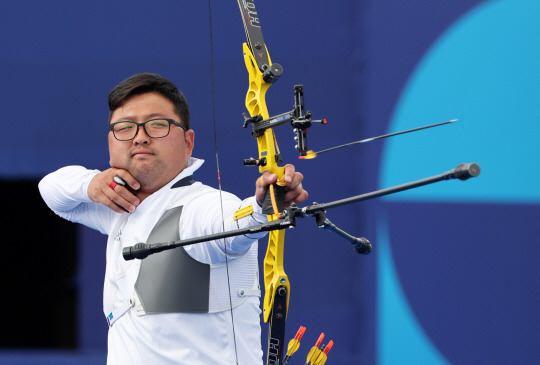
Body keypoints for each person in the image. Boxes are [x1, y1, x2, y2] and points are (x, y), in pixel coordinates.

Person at [39, 73, 308, 364]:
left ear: (188, 142)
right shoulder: (121, 206)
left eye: (157, 124)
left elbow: (231, 226)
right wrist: (91, 184)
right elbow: (51, 190)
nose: (140, 136)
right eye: (125, 127)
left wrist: (262, 207)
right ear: (110, 142)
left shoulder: (201, 205)